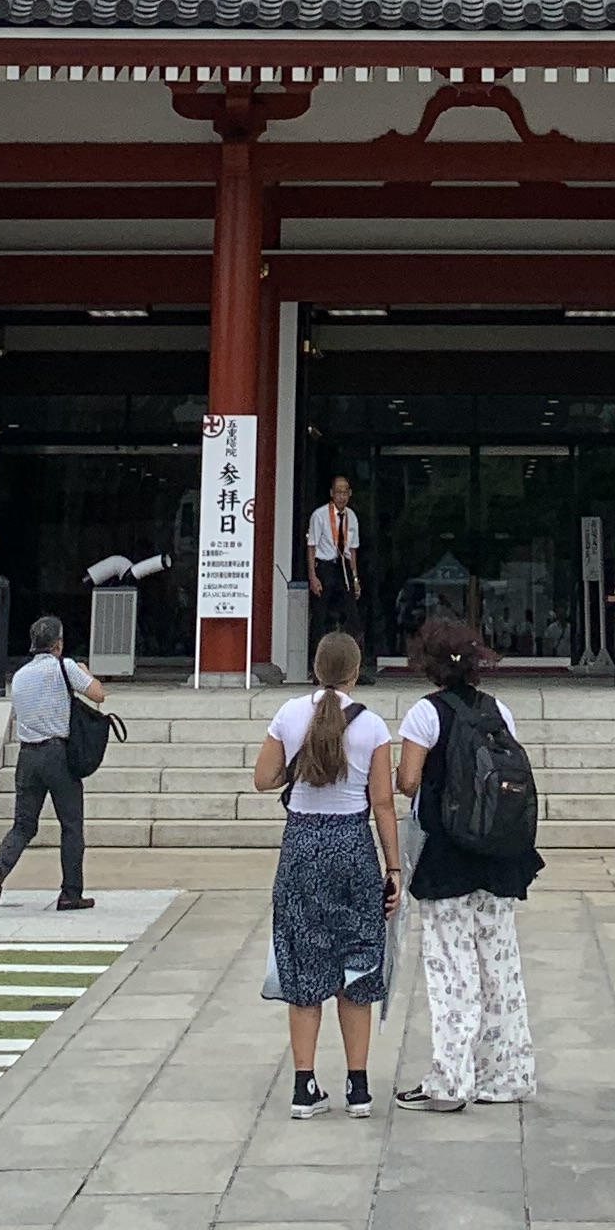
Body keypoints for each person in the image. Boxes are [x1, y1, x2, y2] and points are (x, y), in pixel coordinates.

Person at [393, 614, 542, 1113]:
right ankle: (509, 1074)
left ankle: (450, 1080)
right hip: (498, 852)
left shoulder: (425, 713)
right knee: (501, 965)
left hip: (446, 855)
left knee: (450, 968)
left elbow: (408, 782)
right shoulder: (499, 711)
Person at [253, 630, 400, 1118]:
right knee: (357, 960)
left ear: (315, 670)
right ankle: (358, 1087)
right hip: (353, 846)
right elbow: (383, 802)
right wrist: (393, 866)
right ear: (356, 673)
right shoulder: (373, 726)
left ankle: (305, 1085)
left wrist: (297, 769)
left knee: (303, 960)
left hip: (301, 846)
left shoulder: (289, 714)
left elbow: (262, 779)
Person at [0, 611, 104, 915]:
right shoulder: (65, 667)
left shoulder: (20, 676)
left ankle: (0, 867)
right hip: (57, 754)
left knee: (24, 824)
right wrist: (86, 672)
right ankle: (70, 893)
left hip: (28, 756)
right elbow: (98, 695)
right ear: (58, 644)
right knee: (71, 826)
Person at [306, 476, 366, 650]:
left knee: (351, 612)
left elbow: (352, 551)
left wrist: (355, 579)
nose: (342, 497)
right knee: (321, 614)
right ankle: (317, 658)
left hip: (343, 566)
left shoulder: (351, 516)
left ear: (350, 493)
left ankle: (354, 659)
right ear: (332, 493)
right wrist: (313, 576)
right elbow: (311, 546)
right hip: (325, 565)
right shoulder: (319, 515)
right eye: (338, 492)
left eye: (345, 493)